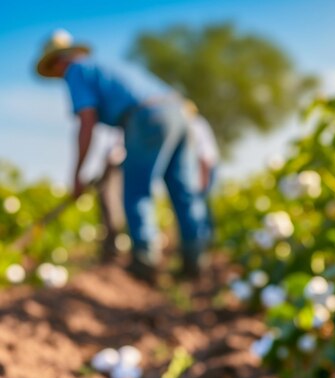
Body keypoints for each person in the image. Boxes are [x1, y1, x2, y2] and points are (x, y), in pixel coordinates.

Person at [35, 29, 210, 280]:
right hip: (179, 112)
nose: (59, 76)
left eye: (56, 69)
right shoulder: (105, 66)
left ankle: (145, 261)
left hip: (149, 117)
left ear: (59, 61)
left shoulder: (76, 72)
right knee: (183, 189)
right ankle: (196, 262)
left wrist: (77, 174)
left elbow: (87, 124)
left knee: (137, 190)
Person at [183, 100, 220, 239]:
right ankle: (206, 237)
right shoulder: (200, 122)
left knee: (201, 202)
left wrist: (203, 176)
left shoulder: (193, 125)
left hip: (204, 166)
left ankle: (203, 238)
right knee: (205, 202)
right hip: (207, 164)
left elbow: (203, 153)